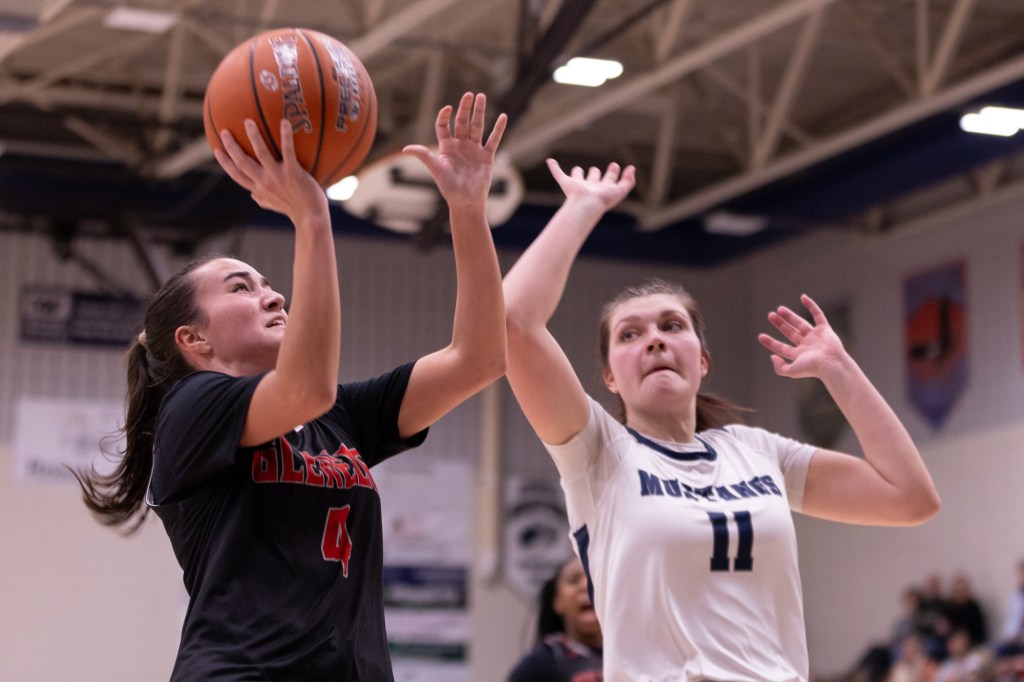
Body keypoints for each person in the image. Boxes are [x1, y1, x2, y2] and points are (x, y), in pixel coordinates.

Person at [72, 92, 507, 681]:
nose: (273, 295)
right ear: (193, 340)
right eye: (240, 288)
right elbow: (305, 387)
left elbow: (478, 358)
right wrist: (311, 217)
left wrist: (467, 209)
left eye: (267, 283)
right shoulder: (190, 410)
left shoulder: (338, 417)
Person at [502, 159, 942, 681]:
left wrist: (838, 369)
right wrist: (581, 208)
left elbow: (910, 498)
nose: (655, 339)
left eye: (671, 325)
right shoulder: (600, 455)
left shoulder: (757, 451)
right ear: (609, 378)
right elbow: (513, 323)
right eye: (630, 334)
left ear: (703, 360)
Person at [508, 556, 604, 682]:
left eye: (594, 579)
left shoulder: (626, 655)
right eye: (574, 580)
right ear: (557, 601)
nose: (585, 586)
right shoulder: (540, 664)